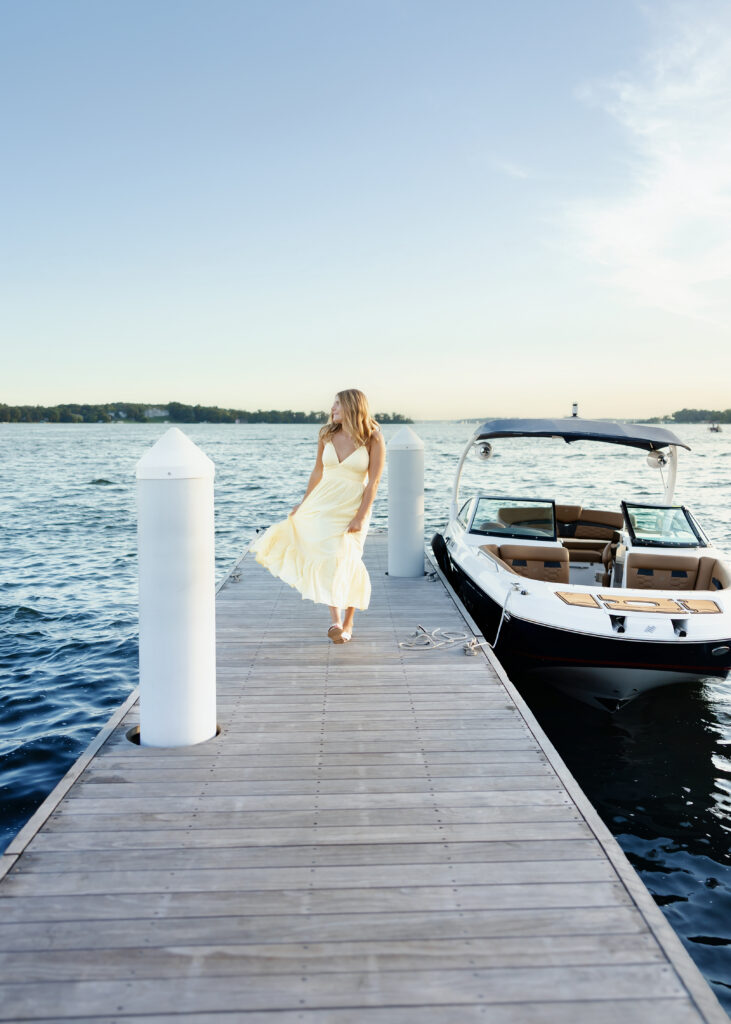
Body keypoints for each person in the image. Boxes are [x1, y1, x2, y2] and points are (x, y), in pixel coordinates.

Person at [252, 389, 386, 643]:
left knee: (347, 558)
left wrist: (361, 516)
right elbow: (317, 471)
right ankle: (336, 621)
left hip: (353, 506)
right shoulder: (326, 434)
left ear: (351, 406)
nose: (332, 409)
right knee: (325, 557)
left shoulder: (373, 438)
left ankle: (349, 622)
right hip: (323, 503)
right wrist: (303, 504)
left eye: (337, 404)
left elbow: (374, 482)